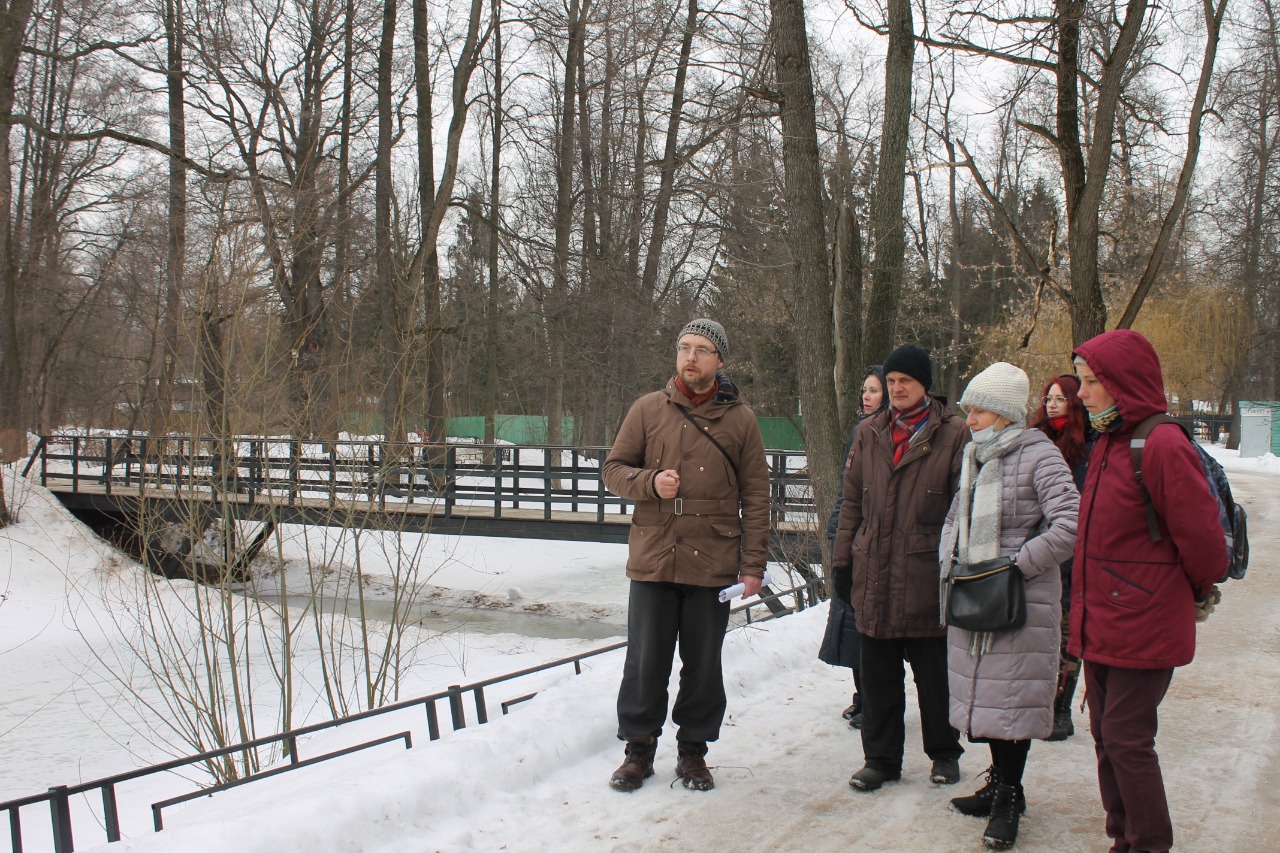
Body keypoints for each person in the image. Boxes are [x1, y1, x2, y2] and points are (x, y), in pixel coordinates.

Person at [1070, 329, 1228, 853]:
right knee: (1106, 737)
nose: (1082, 392)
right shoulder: (1108, 442)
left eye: (1093, 381)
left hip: (1145, 618)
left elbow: (1202, 538)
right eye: (1082, 380)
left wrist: (1199, 591)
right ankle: (1124, 838)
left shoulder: (1159, 442)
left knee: (1127, 739)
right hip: (1103, 619)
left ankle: (1149, 844)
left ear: (1123, 383)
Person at [601, 318, 770, 793]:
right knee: (645, 659)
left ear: (719, 360)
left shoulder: (741, 420)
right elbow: (613, 470)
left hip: (713, 560)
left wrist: (753, 565)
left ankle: (694, 753)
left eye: (701, 350)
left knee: (703, 662)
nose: (690, 357)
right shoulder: (647, 409)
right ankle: (638, 751)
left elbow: (757, 496)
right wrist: (649, 483)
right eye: (683, 348)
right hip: (654, 554)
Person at [940, 362, 1079, 850]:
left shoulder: (1040, 455)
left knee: (1013, 699)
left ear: (1001, 413)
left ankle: (1010, 797)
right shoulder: (975, 454)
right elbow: (957, 514)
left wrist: (1016, 566)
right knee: (991, 697)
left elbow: (1069, 524)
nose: (969, 419)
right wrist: (949, 559)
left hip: (1020, 599)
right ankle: (999, 784)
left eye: (976, 410)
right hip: (977, 592)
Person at [832, 343, 969, 792]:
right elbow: (852, 500)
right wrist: (843, 560)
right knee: (878, 678)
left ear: (924, 385)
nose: (896, 390)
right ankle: (881, 759)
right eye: (890, 382)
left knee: (934, 677)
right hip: (874, 570)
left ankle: (944, 753)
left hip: (926, 574)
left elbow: (963, 509)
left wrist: (956, 568)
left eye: (904, 382)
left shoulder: (954, 434)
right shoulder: (869, 431)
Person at [820, 365, 887, 729]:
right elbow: (845, 491)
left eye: (874, 391)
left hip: (875, 543)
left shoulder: (885, 432)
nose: (866, 396)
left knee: (872, 626)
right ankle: (862, 697)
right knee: (853, 625)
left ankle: (875, 701)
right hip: (850, 536)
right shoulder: (858, 430)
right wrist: (835, 534)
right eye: (865, 389)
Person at [1030, 374, 1095, 741]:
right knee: (1041, 633)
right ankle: (1038, 704)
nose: (1052, 404)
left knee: (1067, 635)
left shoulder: (1087, 447)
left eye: (1060, 398)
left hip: (1074, 552)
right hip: (1039, 547)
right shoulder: (1036, 439)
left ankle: (1060, 708)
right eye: (1048, 398)